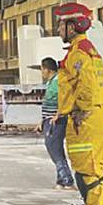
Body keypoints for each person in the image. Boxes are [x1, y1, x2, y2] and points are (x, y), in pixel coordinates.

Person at [53, 3, 103, 205]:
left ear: (72, 26)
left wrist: (83, 109)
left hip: (86, 120)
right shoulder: (87, 50)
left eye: (61, 25)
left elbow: (87, 83)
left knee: (88, 172)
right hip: (94, 117)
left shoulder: (79, 53)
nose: (58, 29)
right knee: (90, 171)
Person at [39, 57, 75, 190]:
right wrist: (42, 121)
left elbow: (65, 97)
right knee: (56, 149)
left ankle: (67, 180)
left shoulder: (58, 81)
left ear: (47, 70)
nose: (41, 72)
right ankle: (61, 180)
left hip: (56, 120)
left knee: (54, 148)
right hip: (50, 119)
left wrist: (59, 114)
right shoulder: (51, 82)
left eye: (42, 69)